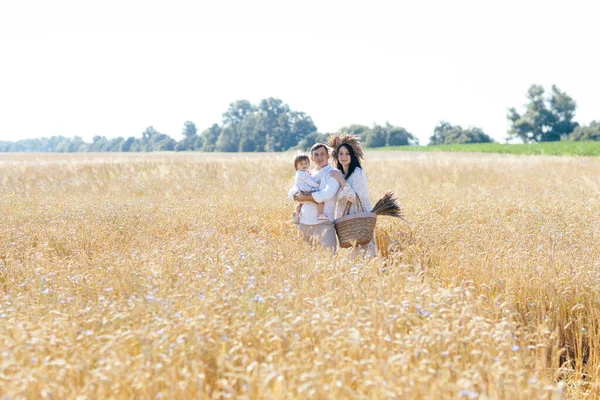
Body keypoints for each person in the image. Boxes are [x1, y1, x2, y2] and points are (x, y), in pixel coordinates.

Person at [327, 133, 378, 258]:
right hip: (346, 224)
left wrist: (342, 181)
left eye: (347, 153)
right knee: (350, 258)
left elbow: (354, 198)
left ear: (353, 155)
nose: (343, 156)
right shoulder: (339, 173)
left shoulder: (357, 173)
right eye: (341, 153)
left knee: (365, 256)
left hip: (360, 221)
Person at [288, 143, 340, 252]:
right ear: (312, 158)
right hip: (303, 223)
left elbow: (327, 194)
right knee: (307, 262)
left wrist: (302, 197)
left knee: (330, 259)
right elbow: (291, 193)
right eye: (316, 155)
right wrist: (298, 196)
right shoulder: (307, 173)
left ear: (328, 156)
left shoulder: (333, 173)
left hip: (323, 224)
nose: (319, 157)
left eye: (322, 154)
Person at [290, 154, 328, 224]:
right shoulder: (303, 174)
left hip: (301, 191)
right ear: (296, 166)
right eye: (301, 164)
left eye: (306, 163)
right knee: (320, 200)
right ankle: (320, 214)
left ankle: (296, 213)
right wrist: (317, 185)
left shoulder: (299, 173)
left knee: (300, 204)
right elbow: (309, 182)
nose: (304, 165)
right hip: (306, 190)